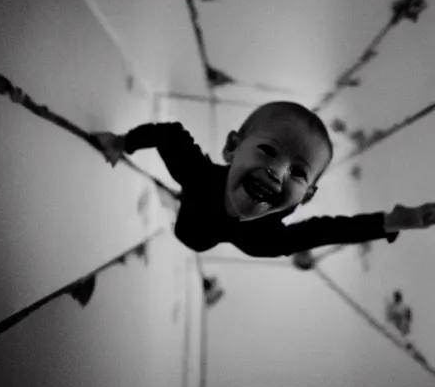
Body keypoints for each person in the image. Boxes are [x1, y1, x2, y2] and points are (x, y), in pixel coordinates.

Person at [90, 101, 435, 268]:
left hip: (209, 235)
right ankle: (177, 200)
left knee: (193, 238)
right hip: (195, 209)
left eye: (299, 174)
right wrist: (124, 141)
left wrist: (388, 222)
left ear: (309, 195)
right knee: (189, 226)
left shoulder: (272, 240)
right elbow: (169, 135)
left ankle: (178, 202)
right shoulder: (197, 172)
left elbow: (330, 231)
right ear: (231, 148)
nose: (277, 173)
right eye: (268, 151)